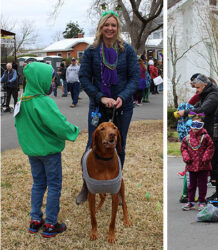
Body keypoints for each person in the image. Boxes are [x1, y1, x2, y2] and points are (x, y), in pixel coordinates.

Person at [76, 10, 140, 205]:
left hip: (122, 106)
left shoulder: (126, 50)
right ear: (101, 27)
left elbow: (134, 77)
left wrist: (122, 96)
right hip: (99, 106)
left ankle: (116, 186)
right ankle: (87, 186)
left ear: (118, 28)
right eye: (107, 25)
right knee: (91, 145)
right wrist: (101, 97)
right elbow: (84, 78)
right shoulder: (91, 51)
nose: (110, 28)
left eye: (113, 25)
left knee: (119, 145)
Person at [14, 62, 79, 237]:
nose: (52, 84)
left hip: (32, 153)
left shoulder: (21, 101)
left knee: (38, 184)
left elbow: (18, 125)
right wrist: (73, 131)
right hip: (50, 152)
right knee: (54, 185)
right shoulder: (44, 102)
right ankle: (50, 224)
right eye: (50, 80)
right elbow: (58, 124)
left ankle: (35, 220)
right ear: (40, 80)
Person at [177, 73, 218, 202]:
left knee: (217, 166)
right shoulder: (206, 94)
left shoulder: (214, 96)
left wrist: (186, 112)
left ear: (205, 85)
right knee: (213, 165)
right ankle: (217, 192)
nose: (196, 91)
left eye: (197, 88)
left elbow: (203, 110)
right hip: (208, 132)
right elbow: (197, 107)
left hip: (216, 134)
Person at [181, 113, 215, 210]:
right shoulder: (186, 138)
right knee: (191, 185)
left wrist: (206, 158)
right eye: (193, 125)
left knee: (202, 184)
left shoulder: (206, 137)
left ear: (202, 126)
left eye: (198, 125)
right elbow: (183, 149)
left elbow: (211, 147)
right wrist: (186, 157)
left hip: (203, 166)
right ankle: (190, 201)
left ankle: (201, 201)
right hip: (191, 165)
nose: (195, 128)